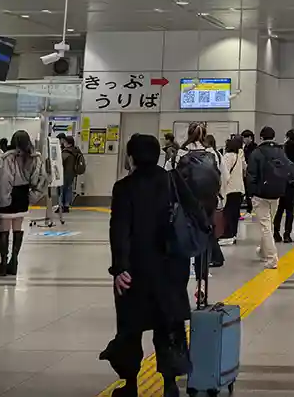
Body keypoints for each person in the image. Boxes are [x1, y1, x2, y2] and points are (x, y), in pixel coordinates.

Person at [101, 134, 206, 397]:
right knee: (169, 325)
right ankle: (170, 384)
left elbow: (120, 229)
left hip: (136, 270)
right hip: (172, 267)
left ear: (133, 156)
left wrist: (120, 267)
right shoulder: (172, 180)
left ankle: (131, 385)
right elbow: (197, 215)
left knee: (130, 328)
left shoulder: (125, 187)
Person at [0, 130, 48, 276]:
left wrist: (3, 199)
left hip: (9, 194)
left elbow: (6, 180)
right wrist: (32, 196)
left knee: (5, 229)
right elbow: (42, 180)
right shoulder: (35, 158)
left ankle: (3, 263)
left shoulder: (8, 157)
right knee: (18, 227)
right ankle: (15, 261)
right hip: (23, 195)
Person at [171, 123, 223, 268]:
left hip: (187, 200)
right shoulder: (213, 153)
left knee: (185, 229)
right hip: (209, 199)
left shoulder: (180, 153)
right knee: (206, 229)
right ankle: (203, 269)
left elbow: (170, 174)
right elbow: (222, 176)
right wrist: (220, 197)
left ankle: (185, 263)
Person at [246, 126, 294, 269]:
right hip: (277, 194)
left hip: (260, 194)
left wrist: (250, 194)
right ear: (273, 137)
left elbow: (251, 175)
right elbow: (291, 170)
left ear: (261, 138)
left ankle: (272, 257)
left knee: (265, 226)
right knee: (268, 224)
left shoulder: (256, 153)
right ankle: (263, 252)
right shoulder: (280, 151)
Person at [274, 129, 294, 243]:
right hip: (292, 183)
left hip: (280, 183)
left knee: (279, 209)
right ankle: (287, 234)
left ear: (287, 137)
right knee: (289, 210)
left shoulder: (281, 150)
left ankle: (276, 232)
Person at [218, 134, 247, 246]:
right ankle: (233, 234)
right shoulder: (239, 157)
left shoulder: (227, 157)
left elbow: (224, 174)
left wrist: (221, 188)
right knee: (235, 213)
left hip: (230, 189)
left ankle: (228, 234)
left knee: (228, 213)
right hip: (239, 189)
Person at [60, 134, 85, 213]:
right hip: (72, 173)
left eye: (64, 142)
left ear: (68, 142)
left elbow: (59, 162)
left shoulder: (66, 152)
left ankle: (61, 206)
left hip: (64, 174)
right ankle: (67, 205)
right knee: (69, 189)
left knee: (61, 190)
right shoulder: (76, 151)